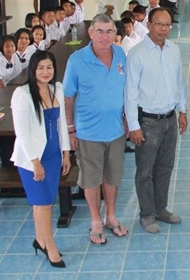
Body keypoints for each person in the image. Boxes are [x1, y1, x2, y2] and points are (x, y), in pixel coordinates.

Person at [63, 14, 129, 245]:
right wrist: (70, 129)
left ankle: (111, 216)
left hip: (116, 131)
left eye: (109, 31)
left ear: (115, 33)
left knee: (112, 177)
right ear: (90, 33)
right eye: (99, 31)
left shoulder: (120, 54)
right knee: (91, 179)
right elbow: (68, 97)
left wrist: (128, 120)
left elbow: (127, 92)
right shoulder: (77, 60)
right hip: (88, 132)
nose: (104, 36)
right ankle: (95, 221)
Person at [125, 8, 188, 233]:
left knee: (165, 167)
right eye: (159, 24)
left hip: (170, 119)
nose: (163, 29)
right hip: (148, 122)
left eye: (167, 25)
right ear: (149, 25)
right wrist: (134, 126)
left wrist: (183, 111)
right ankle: (147, 214)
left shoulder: (173, 50)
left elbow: (179, 82)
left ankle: (161, 209)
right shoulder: (137, 53)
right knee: (145, 171)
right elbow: (130, 93)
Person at [11, 51, 71, 268]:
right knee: (44, 203)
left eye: (49, 67)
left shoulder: (57, 88)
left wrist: (66, 152)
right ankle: (50, 246)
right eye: (40, 68)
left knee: (43, 202)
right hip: (32, 158)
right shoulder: (22, 94)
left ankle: (39, 239)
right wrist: (34, 162)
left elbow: (61, 123)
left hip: (54, 154)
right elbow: (23, 133)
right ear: (33, 70)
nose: (46, 72)